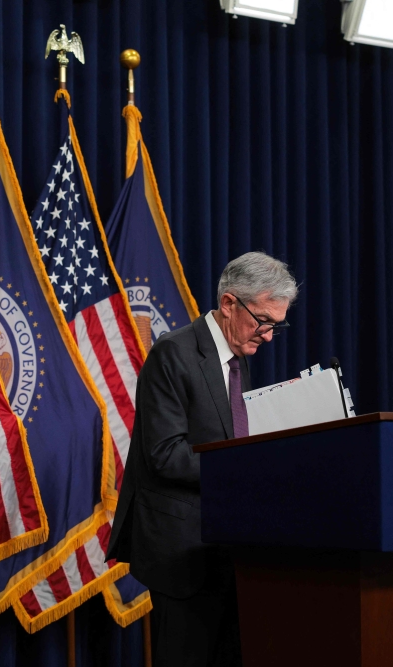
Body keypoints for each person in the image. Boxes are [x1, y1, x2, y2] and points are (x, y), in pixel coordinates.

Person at [106, 251, 298, 667]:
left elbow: (231, 438)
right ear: (229, 303)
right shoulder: (172, 354)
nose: (268, 335)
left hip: (230, 546)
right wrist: (245, 469)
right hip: (183, 552)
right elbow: (164, 454)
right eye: (263, 321)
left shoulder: (239, 361)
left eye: (275, 327)